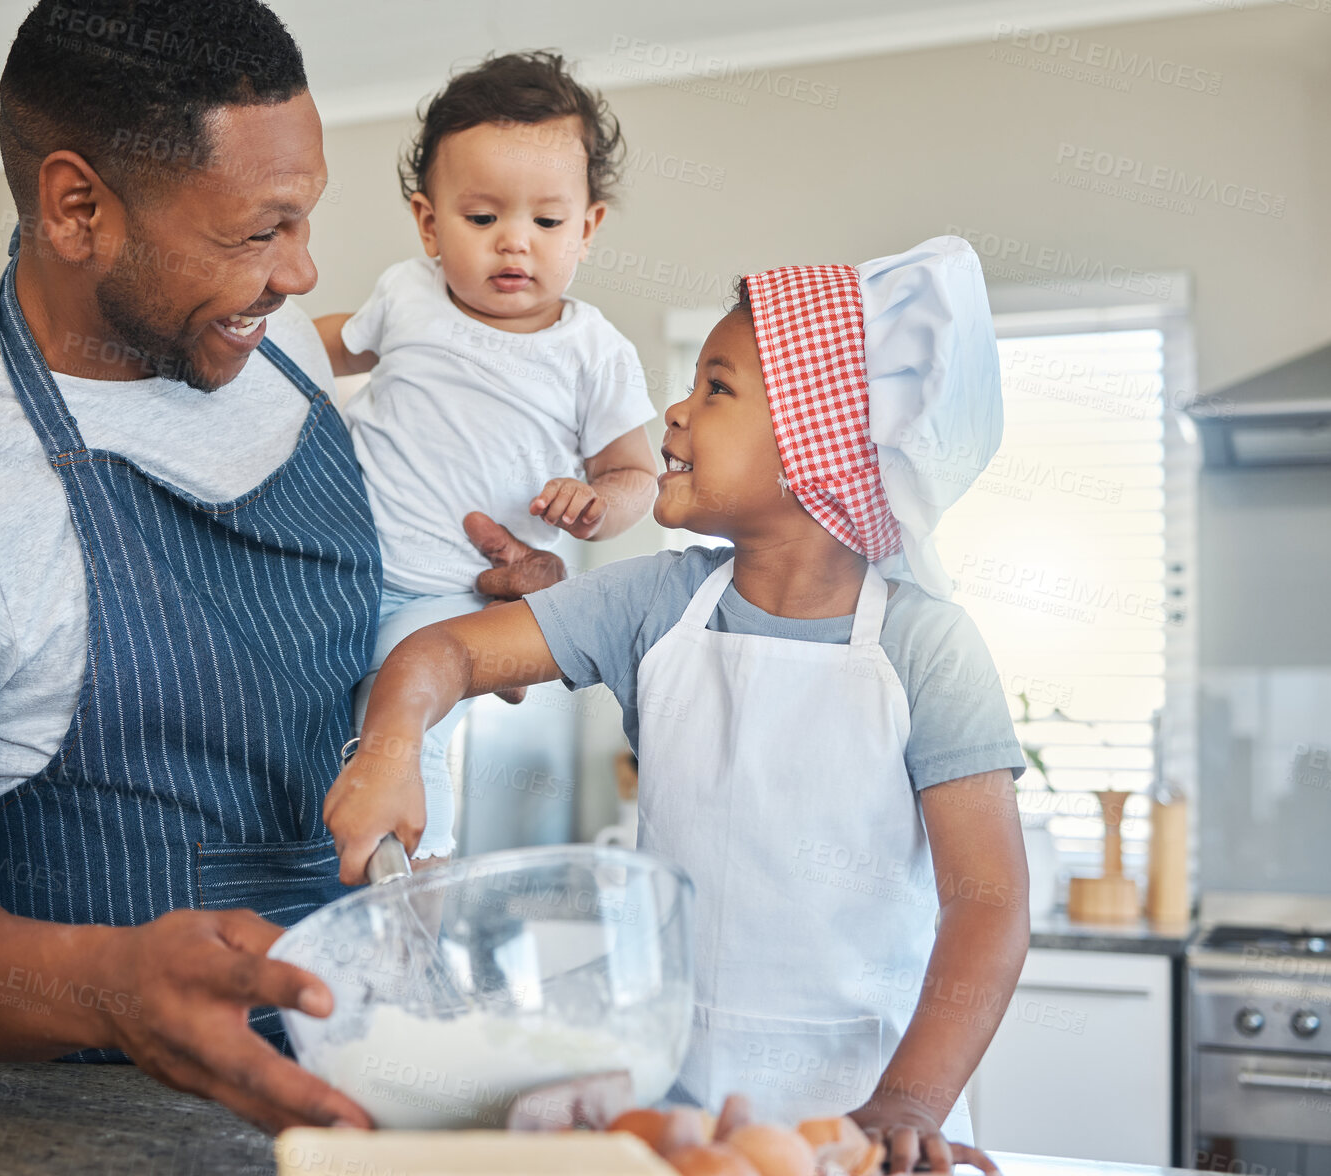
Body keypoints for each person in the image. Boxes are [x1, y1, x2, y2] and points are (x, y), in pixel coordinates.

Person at [0, 0, 564, 1133]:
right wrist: (104, 987)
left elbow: (320, 621)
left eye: (306, 218)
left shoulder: (260, 346)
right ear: (79, 206)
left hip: (379, 1069)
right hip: (84, 1126)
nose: (301, 272)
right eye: (256, 231)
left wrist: (440, 612)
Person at [325, 237, 1030, 1171]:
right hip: (675, 1114)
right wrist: (385, 748)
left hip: (864, 1123)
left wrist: (908, 1099)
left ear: (822, 442)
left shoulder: (926, 646)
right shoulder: (653, 603)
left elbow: (986, 903)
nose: (675, 411)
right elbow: (440, 651)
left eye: (718, 388)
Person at [314, 52, 658, 861]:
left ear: (587, 227)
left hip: (455, 597)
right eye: (480, 220)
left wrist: (598, 502)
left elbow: (636, 472)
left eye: (545, 222)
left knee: (402, 723)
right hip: (343, 571)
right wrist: (257, 338)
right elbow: (327, 343)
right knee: (319, 724)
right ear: (429, 222)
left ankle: (421, 876)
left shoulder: (592, 352)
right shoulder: (407, 295)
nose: (514, 244)